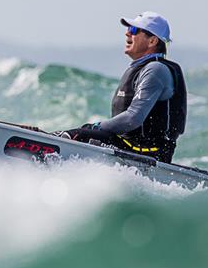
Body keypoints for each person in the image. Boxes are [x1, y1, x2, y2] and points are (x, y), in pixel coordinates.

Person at [59, 11, 187, 163]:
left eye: (134, 30)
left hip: (147, 152)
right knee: (82, 133)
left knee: (80, 135)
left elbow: (133, 118)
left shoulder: (156, 70)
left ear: (152, 41)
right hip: (129, 145)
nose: (127, 33)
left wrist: (96, 127)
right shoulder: (141, 68)